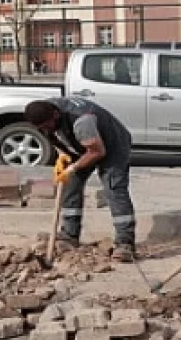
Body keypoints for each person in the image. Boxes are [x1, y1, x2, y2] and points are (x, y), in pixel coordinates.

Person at [24, 97, 136, 261]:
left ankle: (125, 243)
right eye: (41, 128)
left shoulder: (82, 121)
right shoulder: (43, 114)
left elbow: (97, 152)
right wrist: (62, 157)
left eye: (47, 125)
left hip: (112, 146)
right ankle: (69, 234)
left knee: (114, 189)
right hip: (82, 144)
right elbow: (56, 137)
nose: (45, 129)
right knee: (70, 184)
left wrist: (73, 167)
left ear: (55, 115)